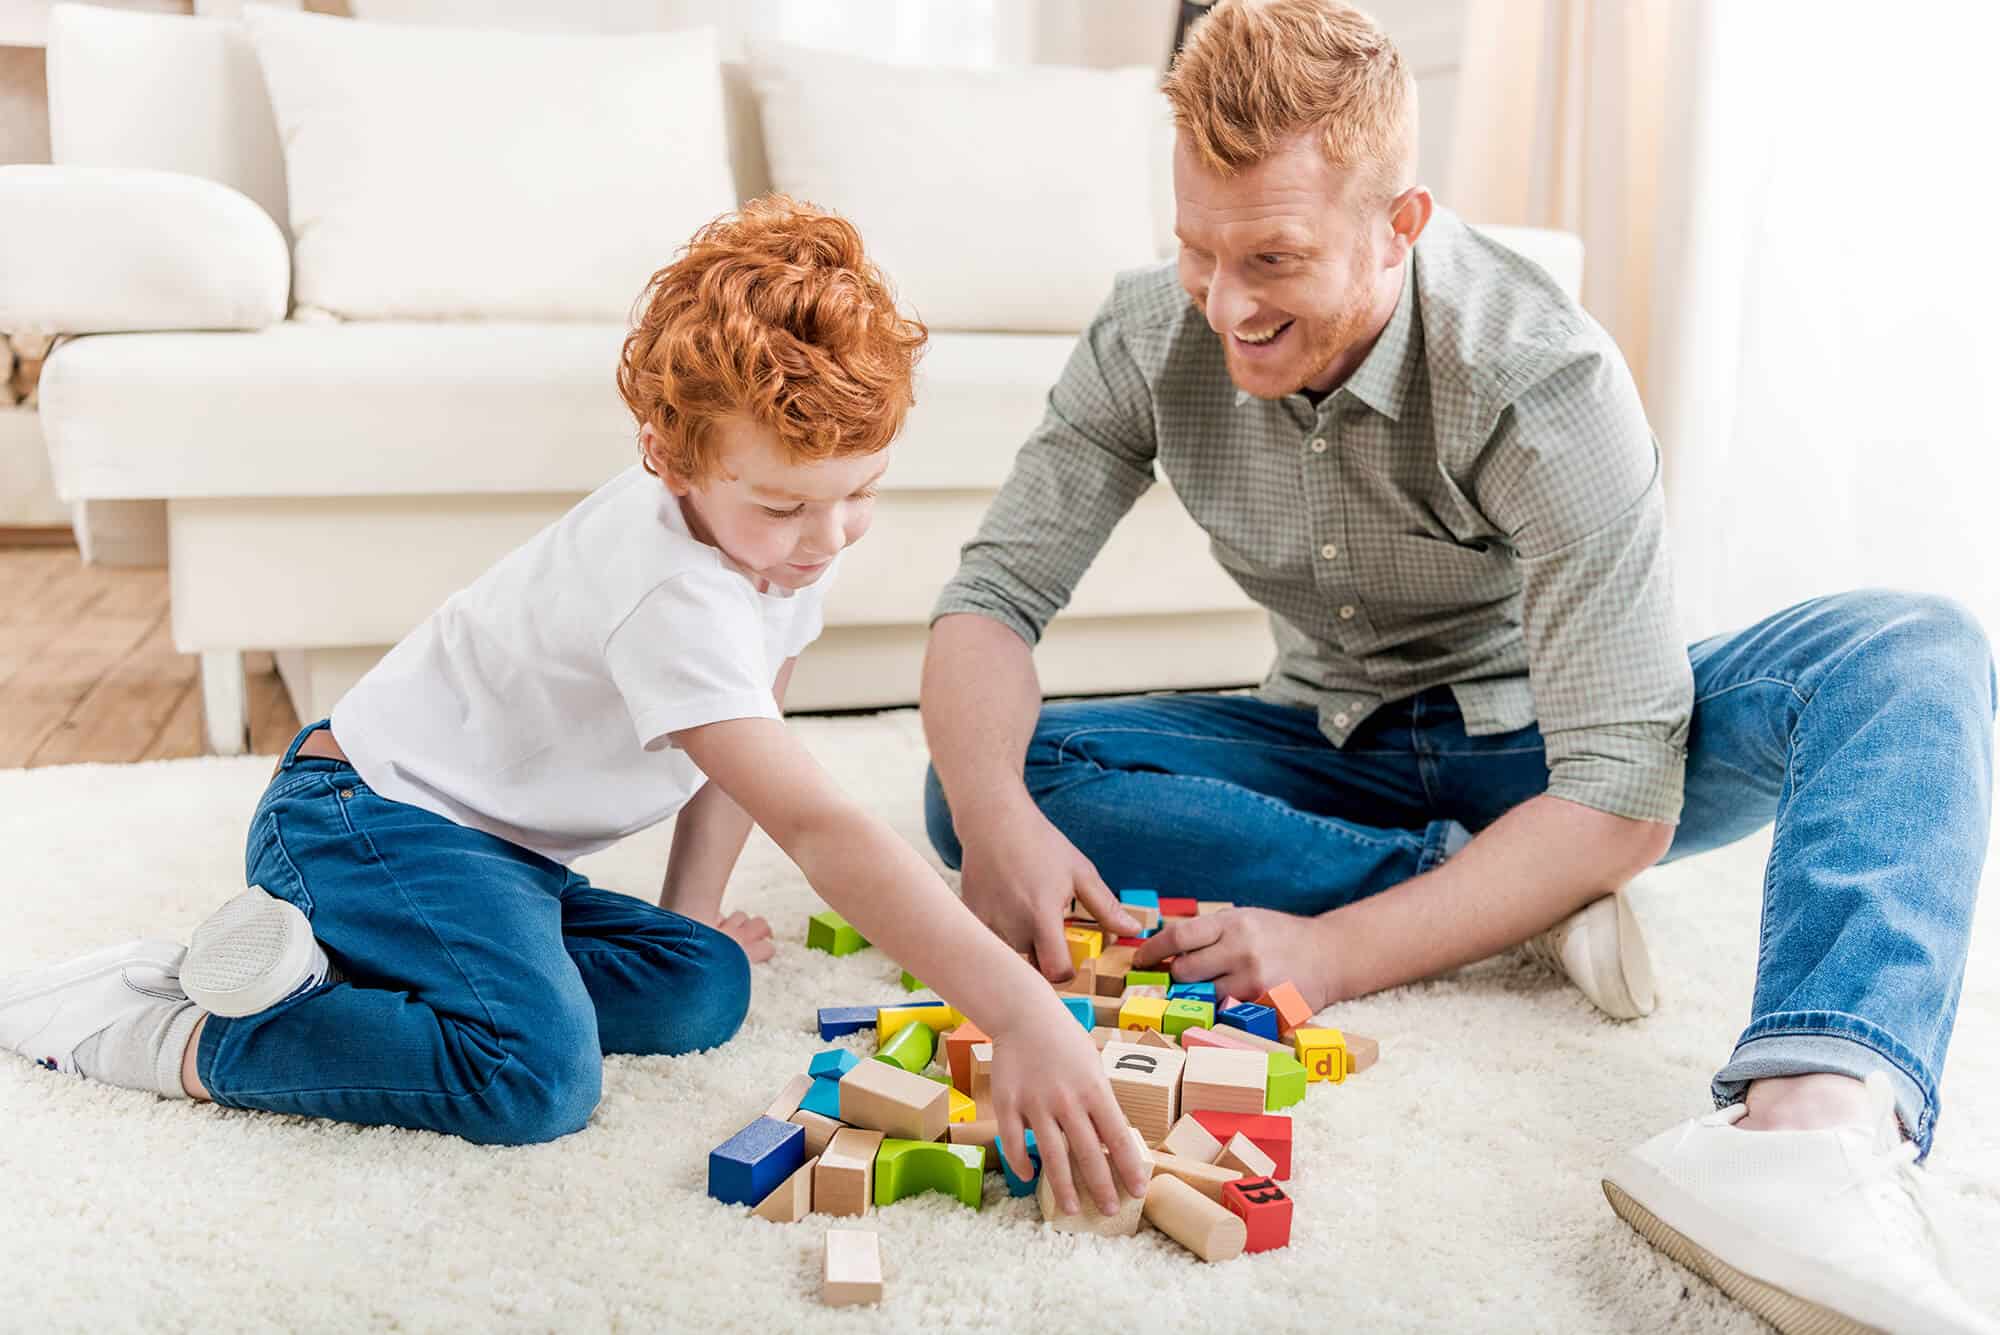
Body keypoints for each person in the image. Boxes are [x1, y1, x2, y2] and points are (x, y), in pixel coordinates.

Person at [917, 3, 1996, 1329]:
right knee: (982, 783)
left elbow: (1622, 781)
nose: (1228, 301)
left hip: (1552, 743)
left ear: (1401, 224)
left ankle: (1809, 1122)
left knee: (1913, 651)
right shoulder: (1151, 331)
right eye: (1199, 249)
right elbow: (991, 602)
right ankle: (1519, 897)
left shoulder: (1541, 374)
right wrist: (994, 815)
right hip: (1325, 738)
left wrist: (1330, 947)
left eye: (1275, 258)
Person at [0, 196, 1148, 1214]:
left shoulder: (786, 535)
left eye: (858, 495)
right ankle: (182, 1025)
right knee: (532, 1075)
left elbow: (752, 738)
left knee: (705, 982)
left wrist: (692, 912)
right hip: (362, 817)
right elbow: (819, 827)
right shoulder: (664, 589)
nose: (825, 539)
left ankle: (359, 967)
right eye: (785, 509)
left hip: (500, 858)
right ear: (666, 456)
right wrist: (1021, 1016)